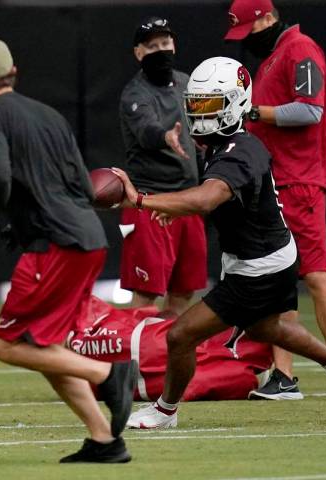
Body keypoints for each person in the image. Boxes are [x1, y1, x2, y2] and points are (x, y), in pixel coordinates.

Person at [112, 57, 326, 429]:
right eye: (195, 105)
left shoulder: (238, 151)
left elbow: (205, 198)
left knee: (181, 335)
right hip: (270, 255)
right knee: (267, 329)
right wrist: (176, 207)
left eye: (209, 106)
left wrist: (140, 200)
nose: (199, 114)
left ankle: (165, 410)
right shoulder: (226, 143)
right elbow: (211, 199)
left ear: (233, 104)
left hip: (257, 267)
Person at [0, 38, 137, 463]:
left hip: (56, 249)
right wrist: (20, 229)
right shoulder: (49, 115)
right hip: (88, 239)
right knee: (47, 350)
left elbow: (0, 178)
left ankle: (109, 374)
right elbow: (82, 184)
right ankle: (104, 440)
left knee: (6, 345)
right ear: (14, 73)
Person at [223, 0, 326, 400]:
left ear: (266, 18)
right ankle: (284, 375)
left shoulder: (300, 49)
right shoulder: (274, 58)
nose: (246, 40)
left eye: (247, 30)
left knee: (315, 274)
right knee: (276, 279)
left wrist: (251, 113)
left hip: (298, 182)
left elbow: (308, 110)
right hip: (274, 183)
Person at [118, 16, 207, 316]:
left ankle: (169, 362)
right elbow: (146, 130)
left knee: (183, 294)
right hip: (151, 203)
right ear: (138, 53)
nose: (160, 50)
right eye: (152, 46)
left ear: (174, 45)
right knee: (145, 298)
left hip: (189, 202)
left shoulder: (187, 83)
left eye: (165, 43)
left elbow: (207, 126)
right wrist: (166, 136)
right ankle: (135, 363)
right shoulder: (135, 94)